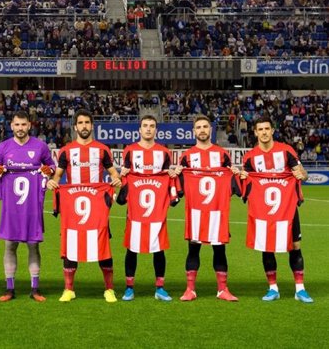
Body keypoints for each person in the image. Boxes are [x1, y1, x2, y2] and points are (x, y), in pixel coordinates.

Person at [46, 109, 121, 303]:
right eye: (81, 123)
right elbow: (58, 175)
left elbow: (114, 173)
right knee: (72, 245)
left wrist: (116, 180)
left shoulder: (102, 149)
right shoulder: (67, 151)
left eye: (87, 122)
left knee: (102, 244)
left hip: (97, 207)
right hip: (74, 206)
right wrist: (52, 182)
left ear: (92, 126)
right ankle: (69, 289)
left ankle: (109, 289)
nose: (84, 126)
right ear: (75, 126)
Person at [239, 116, 312, 303]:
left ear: (272, 131)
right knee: (267, 247)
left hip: (287, 209)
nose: (263, 132)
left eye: (266, 129)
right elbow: (244, 183)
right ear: (255, 132)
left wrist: (301, 174)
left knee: (295, 246)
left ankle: (300, 289)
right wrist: (242, 177)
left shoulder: (286, 150)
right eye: (260, 129)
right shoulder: (250, 157)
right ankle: (273, 288)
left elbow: (303, 174)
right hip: (263, 211)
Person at [0, 111, 55, 302]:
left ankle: (35, 288)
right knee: (10, 245)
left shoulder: (40, 146)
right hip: (11, 207)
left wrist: (48, 170)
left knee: (33, 245)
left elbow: (51, 166)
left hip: (32, 207)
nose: (20, 128)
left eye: (23, 124)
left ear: (29, 125)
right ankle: (9, 288)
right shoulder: (3, 148)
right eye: (17, 125)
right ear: (11, 126)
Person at [173, 115, 239, 302]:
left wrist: (234, 173)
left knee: (220, 250)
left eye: (205, 127)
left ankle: (222, 289)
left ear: (210, 129)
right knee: (193, 249)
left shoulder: (222, 154)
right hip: (195, 211)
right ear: (194, 131)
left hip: (217, 211)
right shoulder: (186, 156)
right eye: (198, 127)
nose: (202, 130)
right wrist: (175, 174)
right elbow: (179, 182)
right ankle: (190, 289)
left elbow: (232, 180)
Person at [119, 115, 177, 302]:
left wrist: (173, 179)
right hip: (135, 210)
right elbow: (125, 179)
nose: (148, 129)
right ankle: (129, 288)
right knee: (132, 248)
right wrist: (123, 176)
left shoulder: (164, 152)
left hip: (157, 211)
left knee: (158, 249)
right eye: (145, 126)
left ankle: (160, 288)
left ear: (156, 130)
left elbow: (169, 178)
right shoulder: (129, 151)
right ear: (140, 129)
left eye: (152, 126)